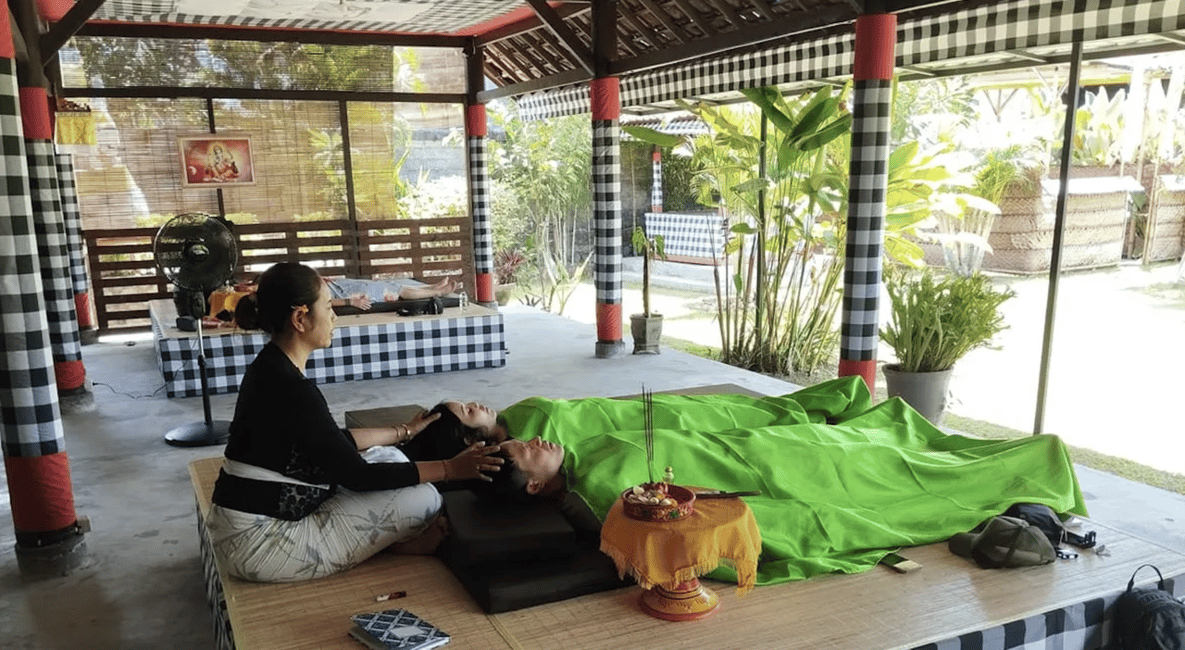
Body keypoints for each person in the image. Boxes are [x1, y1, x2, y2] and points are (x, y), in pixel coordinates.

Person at [431, 378, 1087, 586]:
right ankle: (1014, 471)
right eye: (528, 451)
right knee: (868, 468)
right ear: (534, 487)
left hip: (746, 446)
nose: (538, 441)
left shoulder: (577, 455)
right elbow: (715, 525)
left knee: (838, 438)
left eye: (523, 438)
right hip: (761, 468)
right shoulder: (602, 493)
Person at [205, 262, 502, 583]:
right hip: (258, 545)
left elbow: (331, 444)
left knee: (386, 459)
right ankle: (396, 547)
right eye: (328, 307)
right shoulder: (292, 388)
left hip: (238, 527)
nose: (334, 317)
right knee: (424, 499)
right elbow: (358, 476)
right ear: (300, 319)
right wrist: (450, 469)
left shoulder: (269, 367)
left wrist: (403, 431)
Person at [327, 277, 460, 311]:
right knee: (391, 290)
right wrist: (350, 302)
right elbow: (323, 301)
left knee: (389, 284)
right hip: (344, 294)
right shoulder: (314, 293)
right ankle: (437, 292)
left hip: (341, 286)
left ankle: (431, 287)